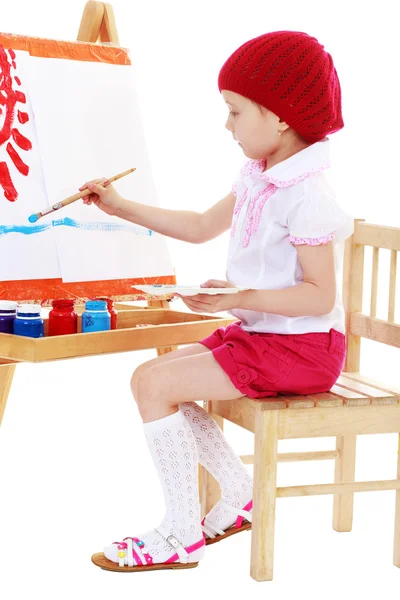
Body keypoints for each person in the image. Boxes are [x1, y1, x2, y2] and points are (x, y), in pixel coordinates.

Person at [86, 30, 354, 573]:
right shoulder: (261, 178)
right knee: (160, 373)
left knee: (152, 383)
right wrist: (119, 206)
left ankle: (180, 533)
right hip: (267, 338)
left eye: (234, 111)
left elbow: (320, 294)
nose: (226, 125)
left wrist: (241, 295)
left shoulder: (306, 194)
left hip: (302, 349)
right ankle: (237, 493)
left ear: (279, 117)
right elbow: (200, 226)